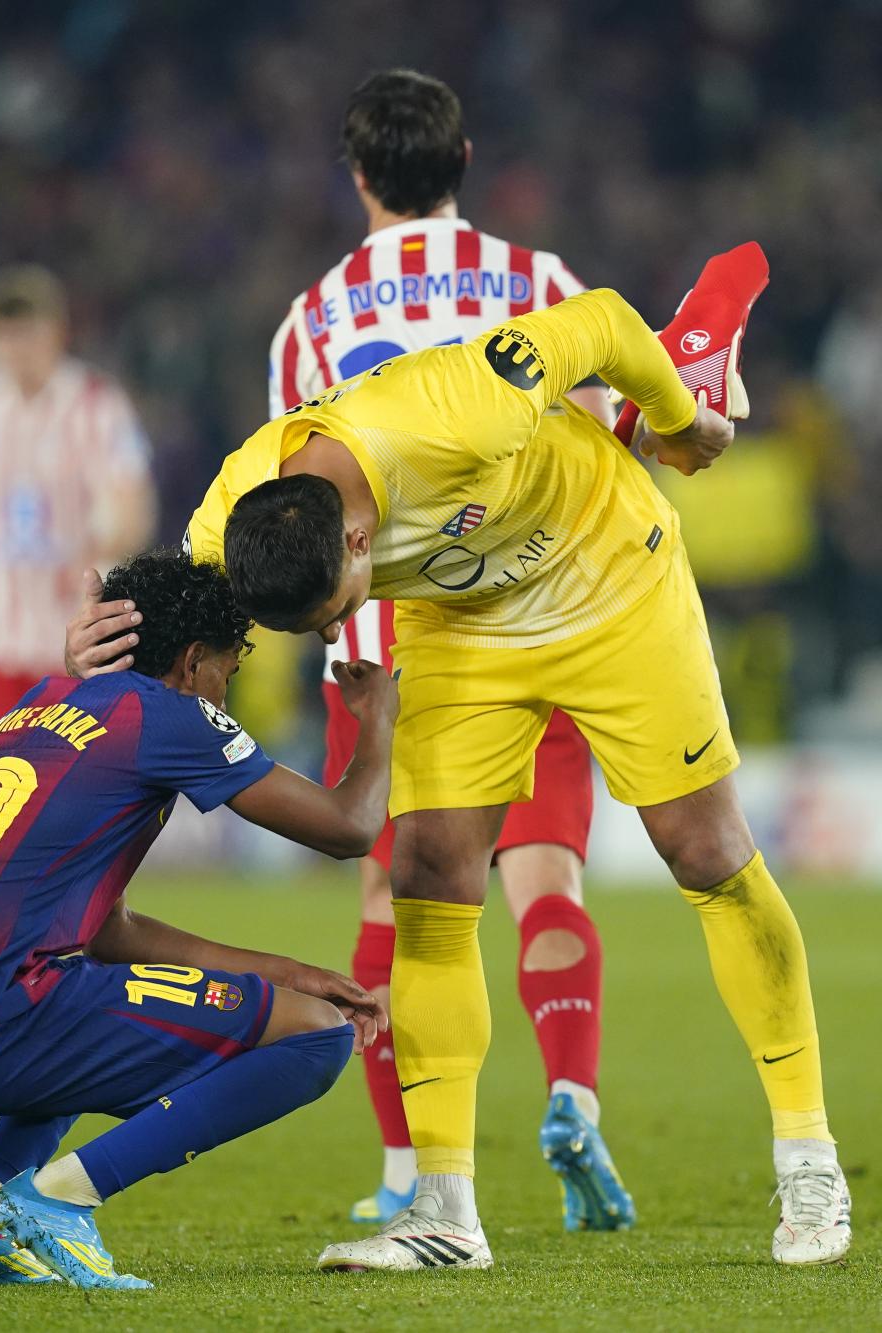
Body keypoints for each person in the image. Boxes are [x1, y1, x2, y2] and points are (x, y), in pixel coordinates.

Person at [73, 263, 850, 1272]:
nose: (340, 624)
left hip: (607, 571)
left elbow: (607, 321)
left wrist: (679, 422)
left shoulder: (455, 403)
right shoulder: (236, 516)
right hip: (462, 628)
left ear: (358, 535)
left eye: (337, 603)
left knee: (702, 850)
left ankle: (807, 1160)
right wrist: (101, 640)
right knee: (428, 874)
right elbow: (177, 611)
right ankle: (443, 1211)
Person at [267, 68, 628, 1231]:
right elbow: (606, 428)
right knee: (546, 879)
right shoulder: (538, 284)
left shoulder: (313, 319)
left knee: (397, 901)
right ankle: (570, 1088)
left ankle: (402, 1169)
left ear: (359, 173)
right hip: (538, 621)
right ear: (464, 163)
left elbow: (297, 512)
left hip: (386, 650)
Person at [0, 549, 395, 1290]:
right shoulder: (167, 716)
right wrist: (378, 721)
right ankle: (61, 1198)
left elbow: (108, 934)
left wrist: (285, 970)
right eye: (226, 676)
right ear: (194, 660)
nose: (224, 700)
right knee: (317, 1036)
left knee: (80, 991)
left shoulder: (39, 703)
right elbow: (350, 826)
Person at [0, 265, 157, 755]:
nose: (16, 347)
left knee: (69, 791)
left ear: (58, 331)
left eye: (28, 330)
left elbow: (133, 509)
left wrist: (95, 553)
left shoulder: (98, 407)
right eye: (3, 333)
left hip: (69, 642)